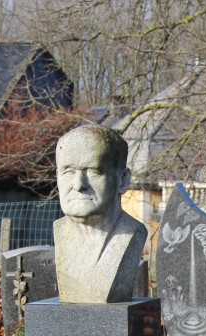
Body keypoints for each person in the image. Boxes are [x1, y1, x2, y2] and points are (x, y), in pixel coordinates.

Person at [54, 125, 147, 303]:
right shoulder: (59, 231)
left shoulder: (132, 233)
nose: (78, 184)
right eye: (68, 171)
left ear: (122, 179)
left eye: (94, 171)